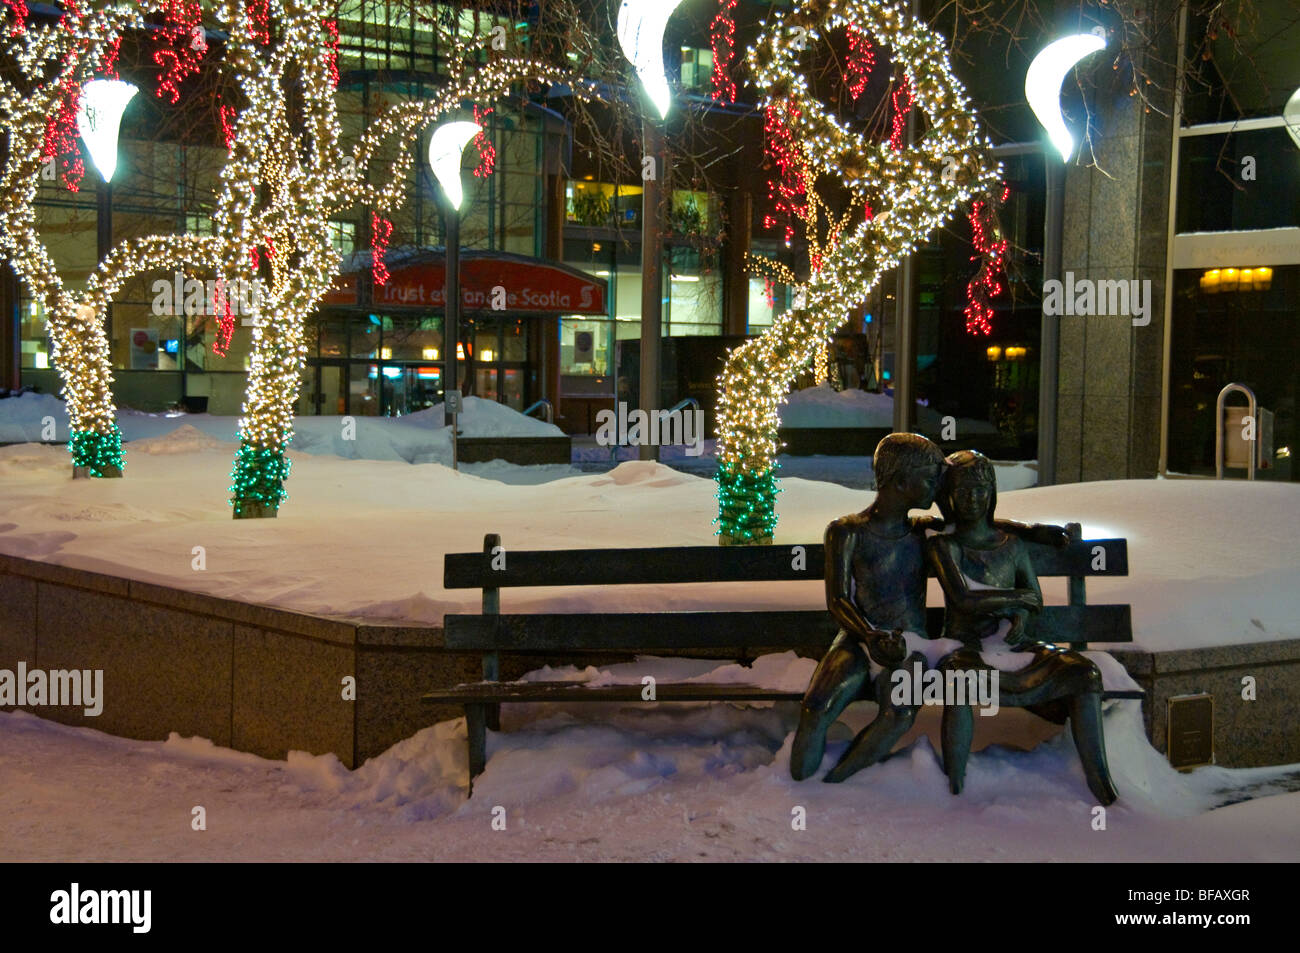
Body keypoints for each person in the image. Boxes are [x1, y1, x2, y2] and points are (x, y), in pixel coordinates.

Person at [791, 434, 1072, 784]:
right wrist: (868, 635)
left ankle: (837, 782)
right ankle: (798, 787)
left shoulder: (922, 531)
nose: (938, 488)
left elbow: (983, 525)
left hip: (911, 646)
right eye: (929, 478)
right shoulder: (846, 532)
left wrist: (1032, 531)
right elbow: (837, 600)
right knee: (817, 707)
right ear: (901, 481)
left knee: (900, 712)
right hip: (856, 639)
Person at [925, 450, 1118, 805]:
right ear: (948, 496)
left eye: (981, 489)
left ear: (992, 493)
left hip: (1017, 644)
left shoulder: (1011, 545)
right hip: (965, 646)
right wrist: (1017, 599)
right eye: (964, 490)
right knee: (960, 679)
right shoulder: (945, 546)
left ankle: (1099, 779)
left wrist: (1022, 615)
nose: (973, 498)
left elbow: (1035, 598)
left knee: (1084, 672)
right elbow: (965, 599)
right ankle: (956, 786)